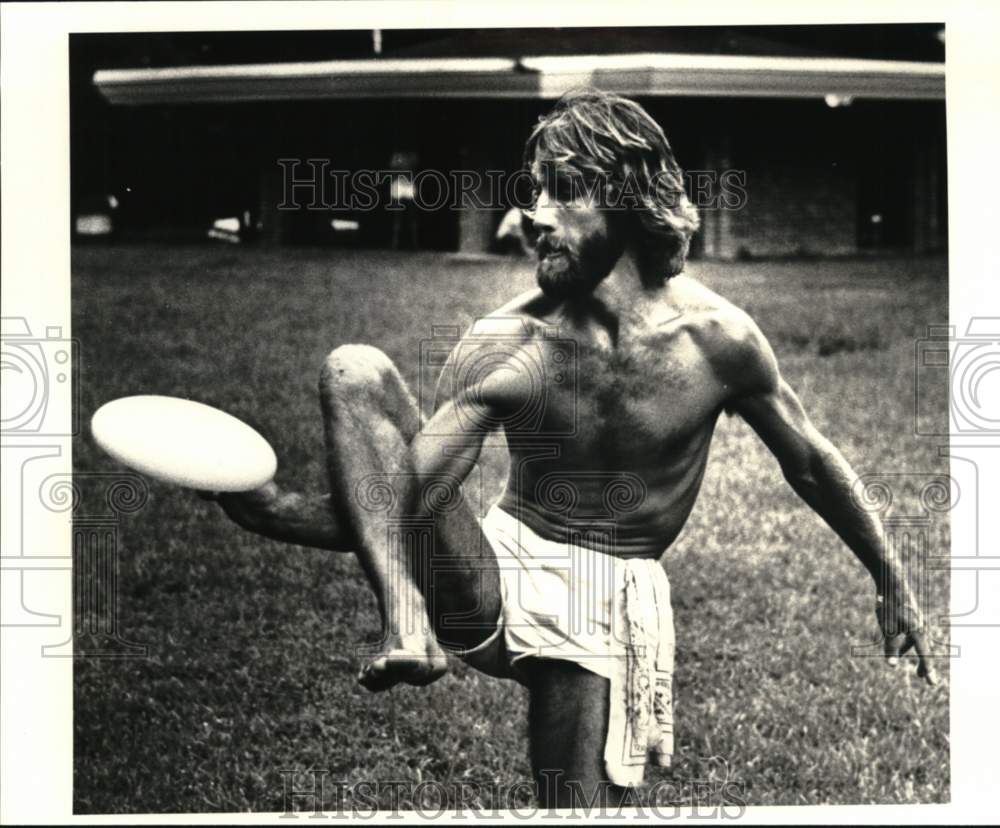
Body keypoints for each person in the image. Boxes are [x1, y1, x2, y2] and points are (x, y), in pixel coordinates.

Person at [205, 90, 938, 809]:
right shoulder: (507, 343)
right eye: (533, 192)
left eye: (563, 193)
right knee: (355, 368)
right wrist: (273, 508)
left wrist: (890, 573)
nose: (533, 215)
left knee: (571, 809)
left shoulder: (720, 342)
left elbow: (809, 459)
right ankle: (409, 626)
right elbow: (405, 494)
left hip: (610, 595)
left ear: (628, 200)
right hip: (495, 568)